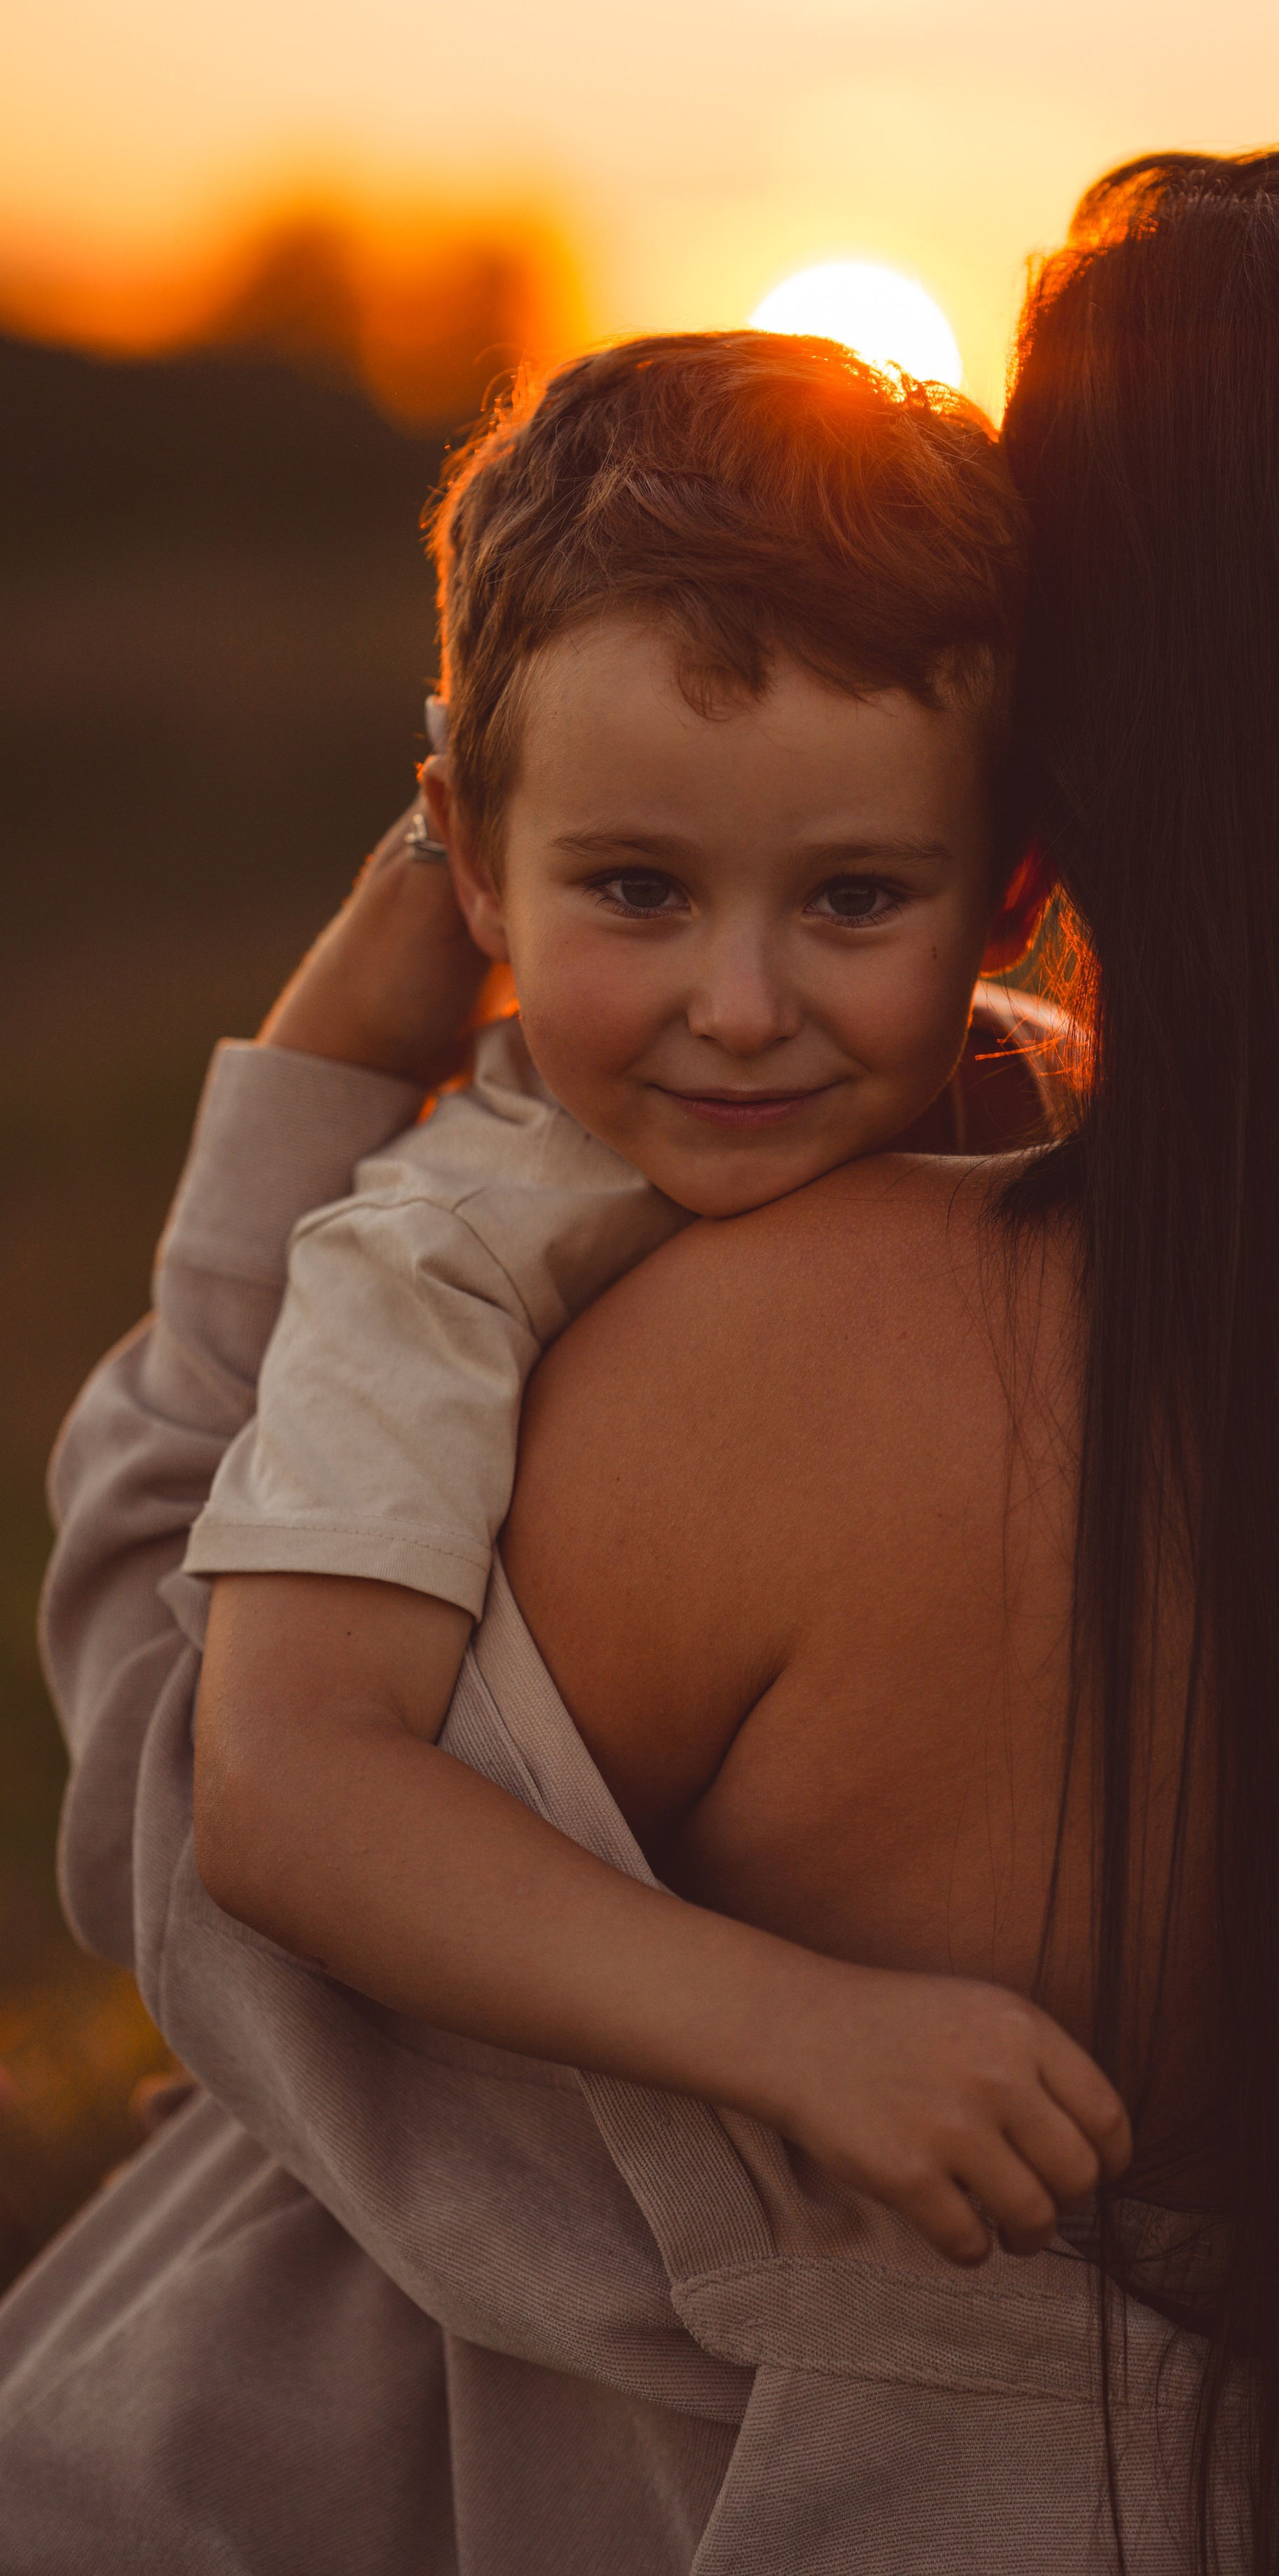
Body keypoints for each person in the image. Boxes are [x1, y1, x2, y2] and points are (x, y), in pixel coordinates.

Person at [6, 139, 1279, 2576]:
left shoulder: (799, 1360)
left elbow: (208, 1825)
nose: (747, 995)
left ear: (1070, 766)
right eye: (647, 884)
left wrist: (309, 1094)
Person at [182, 326, 1128, 2264]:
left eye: (856, 899)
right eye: (634, 890)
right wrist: (800, 2035)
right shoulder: (448, 1253)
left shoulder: (1043, 1094)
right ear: (474, 871)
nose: (746, 1005)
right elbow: (286, 1787)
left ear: (1010, 888)